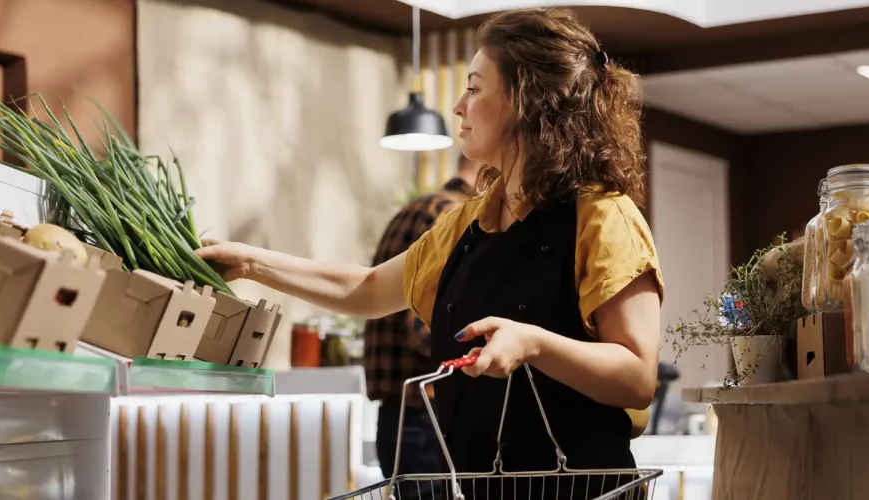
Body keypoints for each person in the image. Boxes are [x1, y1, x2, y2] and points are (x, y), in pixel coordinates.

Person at [197, 8, 663, 498]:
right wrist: (251, 264)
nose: (458, 105)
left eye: (475, 87)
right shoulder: (469, 221)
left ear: (525, 100)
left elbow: (636, 378)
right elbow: (366, 288)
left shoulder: (603, 217)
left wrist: (534, 343)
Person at [363, 154, 479, 496]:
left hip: (399, 415)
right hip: (427, 413)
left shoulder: (417, 207)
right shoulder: (453, 216)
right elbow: (423, 327)